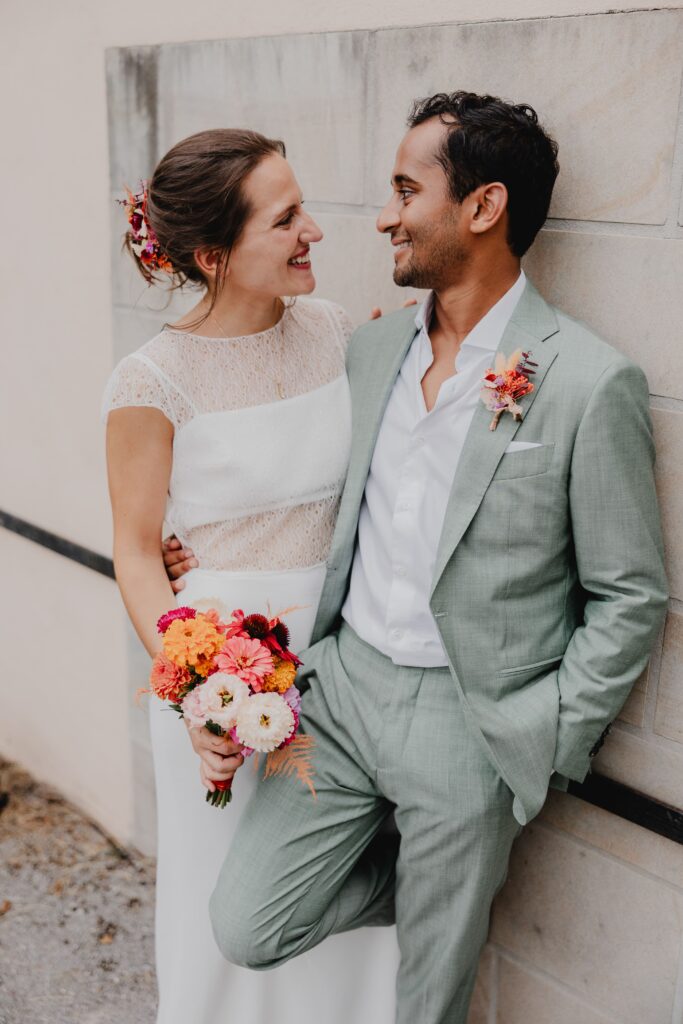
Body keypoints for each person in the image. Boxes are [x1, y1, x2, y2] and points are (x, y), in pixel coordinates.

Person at [171, 93, 668, 1023]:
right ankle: (451, 875)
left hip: (469, 723)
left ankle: (458, 873)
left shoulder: (589, 380)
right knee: (248, 925)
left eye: (405, 190)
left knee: (426, 1000)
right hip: (340, 691)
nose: (386, 216)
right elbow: (282, 473)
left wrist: (542, 736)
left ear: (482, 208)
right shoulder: (366, 349)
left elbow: (629, 593)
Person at [103, 128, 399, 1024]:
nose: (314, 229)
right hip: (227, 668)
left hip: (346, 660)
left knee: (339, 900)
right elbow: (135, 552)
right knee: (226, 900)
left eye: (302, 205)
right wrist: (203, 694)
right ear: (212, 256)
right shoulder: (149, 383)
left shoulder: (338, 330)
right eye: (286, 219)